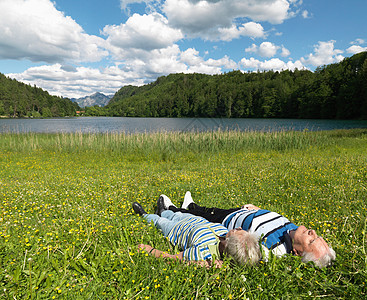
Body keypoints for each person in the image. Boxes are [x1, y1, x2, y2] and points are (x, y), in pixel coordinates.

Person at [159, 191, 336, 268]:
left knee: (204, 216)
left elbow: (244, 256)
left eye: (311, 241)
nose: (312, 232)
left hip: (228, 222)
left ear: (297, 252)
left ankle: (169, 210)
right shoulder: (295, 230)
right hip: (243, 211)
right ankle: (190, 204)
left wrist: (214, 263)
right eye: (317, 236)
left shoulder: (274, 251)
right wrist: (258, 209)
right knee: (206, 209)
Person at [132, 200, 261, 268]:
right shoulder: (224, 233)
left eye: (236, 231)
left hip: (176, 230)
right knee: (174, 214)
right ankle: (162, 210)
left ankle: (145, 215)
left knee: (160, 222)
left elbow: (175, 259)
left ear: (226, 244)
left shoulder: (203, 253)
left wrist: (150, 250)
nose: (237, 227)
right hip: (192, 219)